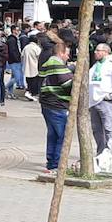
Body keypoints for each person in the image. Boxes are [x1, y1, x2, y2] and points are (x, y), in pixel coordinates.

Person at [38, 36, 73, 175]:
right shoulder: (57, 65)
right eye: (67, 54)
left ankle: (51, 161)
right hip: (57, 103)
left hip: (47, 103)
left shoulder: (48, 63)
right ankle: (56, 163)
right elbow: (67, 84)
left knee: (52, 134)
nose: (68, 57)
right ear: (61, 53)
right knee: (61, 135)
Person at [87, 43, 112, 157]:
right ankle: (101, 152)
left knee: (108, 129)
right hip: (93, 101)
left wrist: (110, 96)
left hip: (105, 101)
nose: (96, 52)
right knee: (97, 129)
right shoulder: (95, 65)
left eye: (98, 50)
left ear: (106, 52)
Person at [6, 26, 25, 99]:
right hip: (14, 61)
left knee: (13, 77)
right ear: (13, 31)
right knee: (17, 78)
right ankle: (5, 88)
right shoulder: (12, 40)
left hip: (16, 60)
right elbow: (12, 51)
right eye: (17, 30)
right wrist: (17, 58)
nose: (18, 32)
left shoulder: (14, 39)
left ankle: (10, 93)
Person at [22, 33, 43, 101]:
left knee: (29, 81)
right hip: (35, 66)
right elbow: (39, 57)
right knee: (34, 81)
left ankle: (29, 92)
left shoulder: (26, 47)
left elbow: (22, 56)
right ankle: (32, 94)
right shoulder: (36, 48)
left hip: (26, 66)